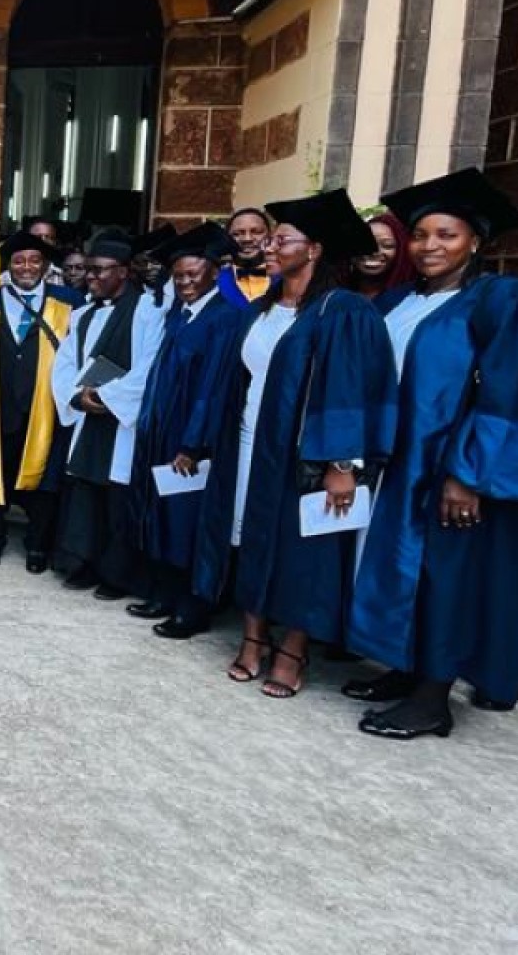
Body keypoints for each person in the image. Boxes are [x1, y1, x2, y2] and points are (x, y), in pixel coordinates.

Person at [349, 170, 518, 740]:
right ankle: (405, 667)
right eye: (420, 235)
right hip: (401, 465)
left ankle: (432, 698)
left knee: (447, 580)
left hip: (450, 470)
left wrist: (468, 474)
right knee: (405, 571)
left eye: (446, 235)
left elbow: (509, 396)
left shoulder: (503, 301)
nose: (429, 246)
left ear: (476, 240)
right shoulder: (401, 300)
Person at [190, 190, 395, 701]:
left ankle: (292, 650)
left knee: (306, 551)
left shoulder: (342, 311)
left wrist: (342, 463)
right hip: (249, 445)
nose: (269, 246)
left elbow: (350, 390)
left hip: (305, 455)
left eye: (281, 239)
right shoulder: (262, 309)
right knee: (249, 536)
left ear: (315, 249)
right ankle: (253, 637)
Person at [126, 223, 247, 637]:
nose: (185, 283)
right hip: (163, 432)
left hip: (191, 440)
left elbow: (214, 389)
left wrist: (193, 443)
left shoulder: (225, 319)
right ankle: (165, 593)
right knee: (162, 516)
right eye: (178, 276)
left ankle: (193, 608)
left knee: (188, 523)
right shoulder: (180, 314)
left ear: (214, 273)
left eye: (193, 275)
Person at [49, 230, 167, 600]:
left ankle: (117, 575)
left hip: (123, 421)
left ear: (124, 271)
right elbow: (64, 364)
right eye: (89, 270)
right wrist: (76, 396)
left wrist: (105, 395)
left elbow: (150, 366)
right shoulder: (83, 314)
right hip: (88, 419)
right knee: (86, 496)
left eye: (99, 270)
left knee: (118, 499)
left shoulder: (150, 312)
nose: (91, 277)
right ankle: (83, 563)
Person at [0, 232, 84, 573]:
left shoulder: (69, 302)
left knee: (45, 479)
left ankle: (37, 544)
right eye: (19, 260)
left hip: (46, 406)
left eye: (34, 260)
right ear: (8, 266)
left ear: (46, 265)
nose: (26, 267)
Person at [345, 211, 413, 300]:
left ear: (401, 252)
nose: (374, 252)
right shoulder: (333, 291)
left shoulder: (412, 296)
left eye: (387, 245)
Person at [217, 207, 274, 305]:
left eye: (257, 232)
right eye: (237, 234)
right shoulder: (214, 281)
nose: (247, 239)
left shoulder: (286, 279)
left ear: (270, 237)